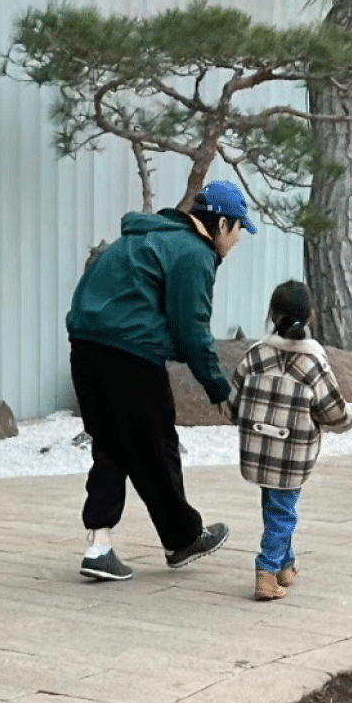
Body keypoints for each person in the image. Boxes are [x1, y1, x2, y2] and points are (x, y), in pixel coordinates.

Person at [67, 180, 257, 581]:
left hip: (85, 348)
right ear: (221, 223)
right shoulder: (193, 253)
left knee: (113, 447)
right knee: (157, 447)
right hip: (128, 356)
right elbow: (191, 330)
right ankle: (182, 539)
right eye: (239, 228)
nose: (238, 239)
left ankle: (100, 547)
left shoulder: (149, 236)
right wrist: (218, 389)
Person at [226, 280, 352, 601]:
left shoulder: (256, 355)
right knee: (283, 511)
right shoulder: (312, 361)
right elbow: (333, 411)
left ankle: (286, 565)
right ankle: (267, 571)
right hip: (292, 455)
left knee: (274, 506)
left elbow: (234, 402)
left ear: (272, 314)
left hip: (259, 451)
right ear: (311, 315)